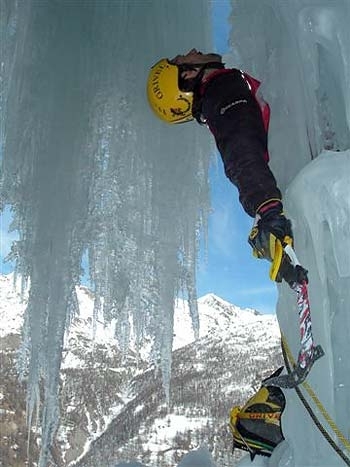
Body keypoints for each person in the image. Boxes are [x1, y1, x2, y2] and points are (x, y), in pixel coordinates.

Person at [146, 49, 294, 282]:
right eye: (182, 59)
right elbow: (240, 150)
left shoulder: (220, 92)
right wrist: (267, 209)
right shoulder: (221, 90)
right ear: (187, 75)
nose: (191, 51)